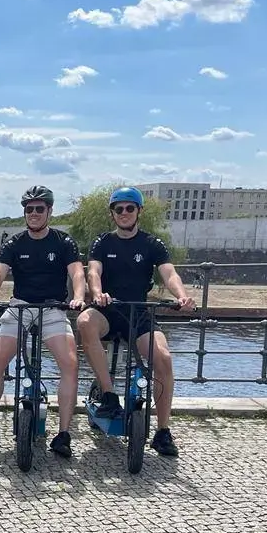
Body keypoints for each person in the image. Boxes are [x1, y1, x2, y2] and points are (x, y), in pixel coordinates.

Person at [77, 186, 196, 456]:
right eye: (119, 209)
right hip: (109, 310)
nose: (124, 213)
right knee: (85, 322)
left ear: (138, 211)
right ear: (113, 214)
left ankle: (163, 431)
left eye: (130, 208)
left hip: (140, 313)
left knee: (163, 358)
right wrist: (97, 294)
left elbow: (170, 274)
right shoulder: (102, 243)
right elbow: (93, 272)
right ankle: (108, 395)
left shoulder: (152, 244)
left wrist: (182, 296)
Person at [0, 185, 87, 456]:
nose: (34, 213)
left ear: (50, 211)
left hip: (53, 309)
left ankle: (63, 434)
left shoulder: (63, 242)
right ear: (24, 213)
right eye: (29, 209)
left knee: (70, 364)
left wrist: (78, 297)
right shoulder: (15, 243)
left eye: (40, 209)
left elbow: (77, 274)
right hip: (20, 308)